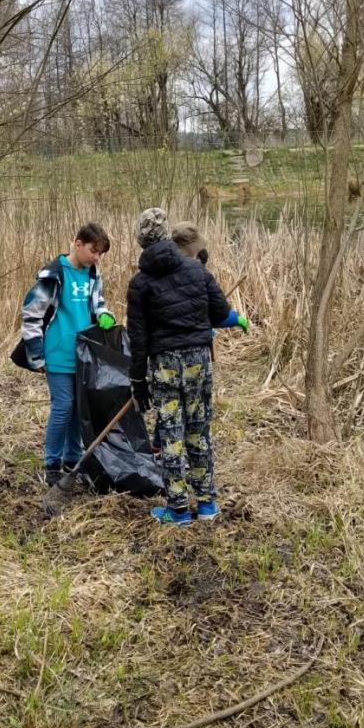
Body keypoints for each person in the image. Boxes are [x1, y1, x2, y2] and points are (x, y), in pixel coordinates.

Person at [127, 208, 233, 526]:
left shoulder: (140, 284)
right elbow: (221, 313)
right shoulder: (196, 270)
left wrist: (137, 381)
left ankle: (177, 509)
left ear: (142, 242)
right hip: (199, 360)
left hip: (165, 364)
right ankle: (207, 505)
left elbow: (138, 338)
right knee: (198, 431)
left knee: (170, 433)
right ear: (166, 235)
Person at [16, 222, 115, 488]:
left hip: (84, 355)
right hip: (58, 352)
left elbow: (98, 303)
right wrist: (36, 355)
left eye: (101, 254)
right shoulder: (53, 275)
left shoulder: (93, 274)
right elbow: (31, 314)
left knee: (78, 409)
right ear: (78, 243)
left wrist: (105, 315)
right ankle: (52, 464)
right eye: (94, 251)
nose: (97, 257)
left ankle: (73, 461)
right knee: (63, 407)